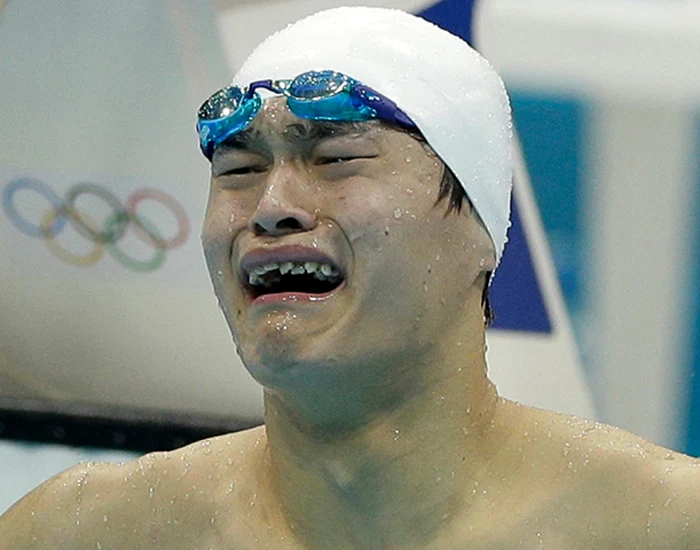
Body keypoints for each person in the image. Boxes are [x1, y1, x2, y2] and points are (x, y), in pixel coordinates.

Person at [2, 6, 700, 549]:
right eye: (239, 171)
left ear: (480, 229)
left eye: (336, 159)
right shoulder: (85, 531)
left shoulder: (662, 527)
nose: (271, 209)